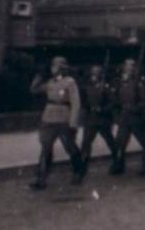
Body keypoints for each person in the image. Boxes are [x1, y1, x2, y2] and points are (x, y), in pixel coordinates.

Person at [30, 56, 85, 190]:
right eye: (52, 66)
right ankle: (41, 178)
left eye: (55, 66)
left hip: (63, 120)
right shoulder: (50, 82)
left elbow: (76, 103)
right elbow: (34, 89)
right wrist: (39, 75)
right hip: (48, 120)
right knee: (46, 148)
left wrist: (73, 122)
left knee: (70, 147)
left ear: (62, 68)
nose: (52, 68)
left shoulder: (70, 82)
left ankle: (78, 172)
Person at [80, 64, 120, 170]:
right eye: (93, 72)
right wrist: (87, 110)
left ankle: (118, 161)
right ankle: (82, 166)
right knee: (86, 143)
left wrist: (102, 109)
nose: (94, 75)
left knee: (110, 141)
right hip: (90, 119)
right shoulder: (87, 86)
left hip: (103, 120)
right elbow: (84, 102)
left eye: (97, 73)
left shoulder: (106, 87)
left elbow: (113, 102)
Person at [111, 58, 145, 176]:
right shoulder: (118, 82)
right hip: (123, 118)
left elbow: (144, 101)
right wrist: (117, 113)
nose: (129, 68)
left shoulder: (138, 82)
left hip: (136, 118)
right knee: (120, 143)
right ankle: (118, 165)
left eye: (132, 66)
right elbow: (114, 100)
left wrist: (135, 108)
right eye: (127, 65)